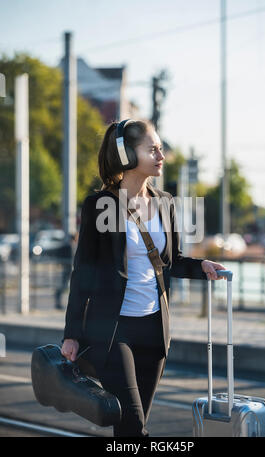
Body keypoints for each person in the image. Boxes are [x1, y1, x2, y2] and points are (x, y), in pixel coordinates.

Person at [61, 119, 227, 437]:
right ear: (126, 154)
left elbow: (171, 262)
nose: (160, 155)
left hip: (154, 331)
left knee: (130, 430)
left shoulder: (165, 202)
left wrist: (201, 266)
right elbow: (83, 272)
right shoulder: (100, 206)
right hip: (112, 332)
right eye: (152, 149)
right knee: (134, 427)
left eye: (161, 148)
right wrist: (72, 333)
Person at [54, 233, 77, 310]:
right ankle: (58, 302)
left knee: (67, 286)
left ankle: (60, 302)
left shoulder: (72, 246)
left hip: (70, 269)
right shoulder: (68, 246)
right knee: (64, 286)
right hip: (68, 269)